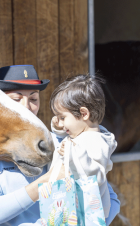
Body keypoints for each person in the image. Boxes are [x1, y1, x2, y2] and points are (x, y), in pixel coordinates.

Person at [0, 65, 120, 226]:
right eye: (16, 99)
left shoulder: (56, 142)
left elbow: (110, 199)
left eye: (33, 99)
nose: (26, 106)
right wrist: (45, 183)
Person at [49, 74, 118, 222]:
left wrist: (73, 154)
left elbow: (96, 176)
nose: (60, 123)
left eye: (62, 118)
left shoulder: (96, 142)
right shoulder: (82, 135)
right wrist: (59, 129)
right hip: (72, 209)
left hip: (85, 214)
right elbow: (75, 132)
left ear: (84, 114)